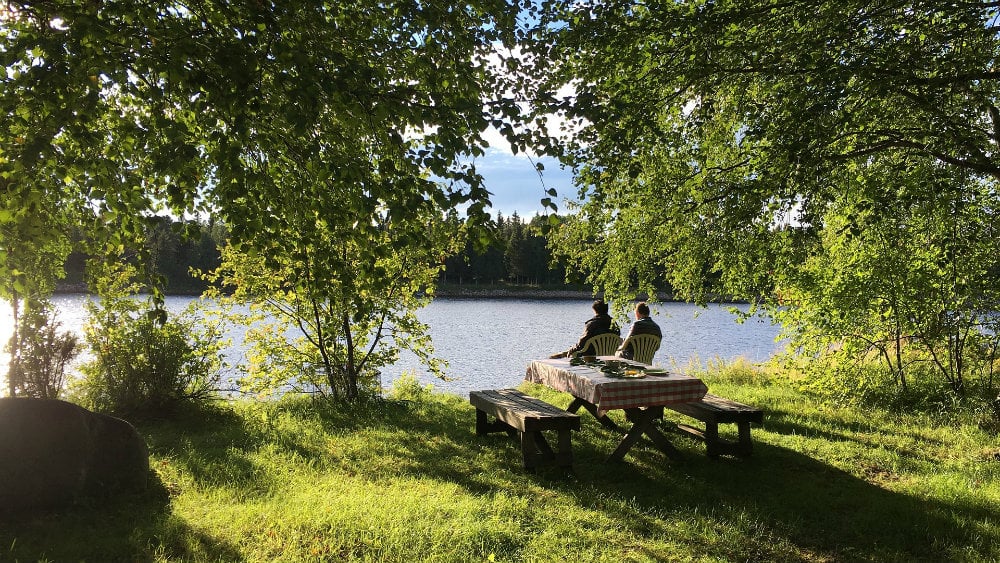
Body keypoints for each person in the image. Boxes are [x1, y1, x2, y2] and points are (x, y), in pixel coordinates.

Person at [549, 300, 620, 358]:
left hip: (591, 355)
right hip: (609, 354)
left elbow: (582, 343)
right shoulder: (614, 323)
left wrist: (572, 349)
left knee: (556, 356)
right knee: (565, 353)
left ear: (595, 310)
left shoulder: (591, 324)